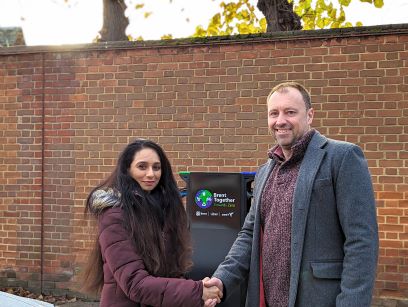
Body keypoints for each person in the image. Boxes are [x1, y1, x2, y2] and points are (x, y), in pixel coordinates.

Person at [204, 81, 379, 307]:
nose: (280, 121)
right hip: (267, 299)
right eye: (273, 113)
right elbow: (249, 234)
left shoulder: (342, 157)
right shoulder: (265, 171)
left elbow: (361, 241)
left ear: (310, 115)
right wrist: (222, 279)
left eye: (290, 112)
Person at [81, 138, 222, 307]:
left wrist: (198, 294)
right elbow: (135, 283)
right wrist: (197, 291)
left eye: (156, 167)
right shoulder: (114, 215)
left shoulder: (165, 209)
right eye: (142, 166)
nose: (151, 174)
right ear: (127, 169)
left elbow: (172, 272)